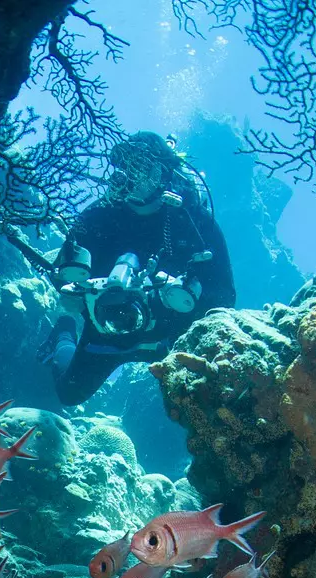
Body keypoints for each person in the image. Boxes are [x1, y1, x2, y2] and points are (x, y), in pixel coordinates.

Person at [43, 133, 236, 407]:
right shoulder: (96, 216)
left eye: (142, 165)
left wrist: (175, 298)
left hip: (172, 336)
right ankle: (64, 334)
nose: (132, 173)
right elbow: (64, 273)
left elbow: (225, 297)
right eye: (126, 165)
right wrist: (73, 295)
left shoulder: (196, 223)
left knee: (207, 402)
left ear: (164, 172)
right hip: (106, 328)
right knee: (69, 394)